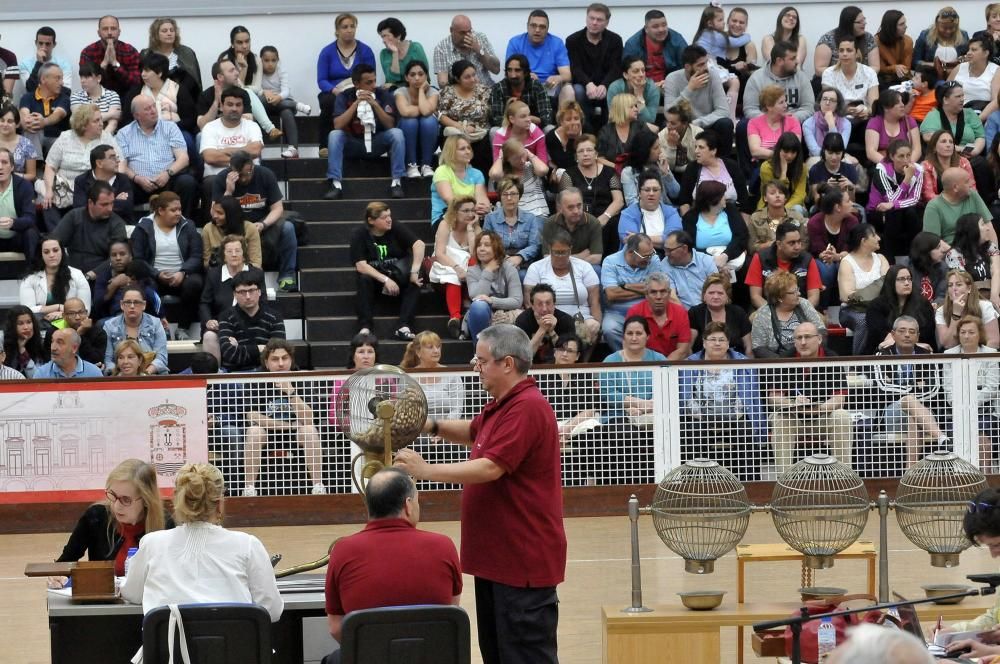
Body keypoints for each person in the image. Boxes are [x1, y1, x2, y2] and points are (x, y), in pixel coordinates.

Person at [394, 324, 566, 664]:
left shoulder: (527, 407)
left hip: (522, 561)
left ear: (507, 363)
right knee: (498, 652)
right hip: (497, 561)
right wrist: (429, 425)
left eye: (482, 360)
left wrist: (426, 470)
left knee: (524, 653)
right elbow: (475, 431)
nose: (476, 366)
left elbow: (491, 467)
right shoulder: (502, 405)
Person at [322, 468, 461, 663]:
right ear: (408, 505)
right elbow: (450, 615)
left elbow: (336, 628)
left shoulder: (342, 550)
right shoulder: (443, 546)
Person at [120, 462, 283, 622]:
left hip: (169, 649)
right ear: (219, 504)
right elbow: (272, 610)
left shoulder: (151, 544)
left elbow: (132, 593)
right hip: (235, 648)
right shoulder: (248, 545)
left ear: (177, 502)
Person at [51, 458, 167, 586]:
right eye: (112, 495)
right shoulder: (96, 517)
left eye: (125, 500)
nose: (116, 506)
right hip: (103, 602)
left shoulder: (166, 525)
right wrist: (58, 577)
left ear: (146, 499)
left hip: (149, 603)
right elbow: (65, 563)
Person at [679, 321, 767, 481]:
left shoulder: (744, 364)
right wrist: (699, 416)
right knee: (691, 433)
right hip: (700, 419)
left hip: (735, 418)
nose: (717, 343)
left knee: (746, 432)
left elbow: (752, 400)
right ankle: (693, 485)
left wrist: (755, 426)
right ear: (704, 342)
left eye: (722, 339)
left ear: (728, 343)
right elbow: (685, 398)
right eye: (713, 339)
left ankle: (750, 485)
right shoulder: (689, 365)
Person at [765, 320, 852, 469]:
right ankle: (783, 479)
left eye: (807, 337)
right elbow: (773, 398)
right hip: (794, 417)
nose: (803, 342)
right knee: (779, 420)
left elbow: (839, 399)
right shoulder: (785, 359)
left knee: (842, 416)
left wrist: (819, 408)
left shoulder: (832, 358)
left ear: (819, 339)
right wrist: (793, 403)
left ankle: (843, 476)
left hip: (823, 416)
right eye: (798, 338)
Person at [242, 339, 323, 497]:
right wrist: (290, 425)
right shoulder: (255, 381)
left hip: (296, 435)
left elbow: (308, 419)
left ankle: (318, 487)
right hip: (269, 434)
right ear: (266, 362)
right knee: (254, 431)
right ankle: (249, 489)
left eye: (285, 358)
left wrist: (291, 393)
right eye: (275, 359)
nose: (281, 363)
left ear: (291, 360)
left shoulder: (302, 379)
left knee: (309, 430)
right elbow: (252, 416)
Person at [210, 152, 299, 292]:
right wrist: (228, 191)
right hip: (235, 226)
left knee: (288, 228)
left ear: (252, 166)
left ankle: (286, 276)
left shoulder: (265, 174)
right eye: (240, 175)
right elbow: (215, 213)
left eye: (247, 173)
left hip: (262, 223)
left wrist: (264, 224)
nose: (244, 179)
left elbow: (277, 209)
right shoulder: (222, 178)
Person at [874, 315, 950, 465]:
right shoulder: (881, 355)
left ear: (918, 336)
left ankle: (910, 470)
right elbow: (882, 387)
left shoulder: (927, 356)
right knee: (909, 401)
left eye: (912, 331)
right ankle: (941, 437)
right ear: (893, 334)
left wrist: (909, 396)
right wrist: (911, 392)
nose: (907, 335)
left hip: (924, 413)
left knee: (913, 416)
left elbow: (934, 388)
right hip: (892, 412)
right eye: (902, 331)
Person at [325, 63, 404, 201]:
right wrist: (356, 104)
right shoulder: (344, 96)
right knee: (334, 135)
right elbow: (338, 125)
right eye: (369, 82)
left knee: (397, 134)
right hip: (354, 143)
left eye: (374, 80)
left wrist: (375, 104)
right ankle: (335, 184)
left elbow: (390, 124)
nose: (373, 85)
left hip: (377, 141)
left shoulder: (383, 95)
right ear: (356, 83)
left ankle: (396, 182)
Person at [130, 191, 203, 337]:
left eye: (179, 209)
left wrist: (182, 272)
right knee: (146, 285)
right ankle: (160, 327)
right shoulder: (143, 227)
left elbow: (196, 256)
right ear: (161, 210)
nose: (178, 213)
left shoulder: (188, 226)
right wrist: (156, 274)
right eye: (173, 210)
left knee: (195, 283)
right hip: (155, 276)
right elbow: (138, 259)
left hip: (181, 276)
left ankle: (183, 328)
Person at [349, 202, 424, 341]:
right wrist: (385, 279)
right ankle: (365, 326)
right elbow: (360, 265)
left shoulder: (395, 227)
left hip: (398, 275)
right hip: (376, 280)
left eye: (389, 216)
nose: (389, 220)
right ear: (371, 220)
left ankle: (403, 325)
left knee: (417, 280)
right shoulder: (359, 234)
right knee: (364, 278)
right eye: (384, 217)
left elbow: (419, 244)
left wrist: (414, 271)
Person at [116, 94, 196, 219]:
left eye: (154, 106)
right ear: (136, 115)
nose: (153, 111)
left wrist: (167, 173)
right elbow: (122, 166)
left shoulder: (170, 127)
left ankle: (182, 224)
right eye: (147, 109)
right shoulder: (124, 133)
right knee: (122, 184)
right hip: (138, 183)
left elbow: (183, 159)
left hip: (167, 180)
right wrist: (137, 178)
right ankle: (132, 228)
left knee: (187, 182)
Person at [41, 104, 118, 230]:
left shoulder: (106, 138)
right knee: (47, 200)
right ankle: (57, 240)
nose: (101, 123)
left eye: (101, 119)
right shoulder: (65, 137)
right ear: (84, 125)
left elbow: (118, 163)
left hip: (92, 187)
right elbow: (50, 167)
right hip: (63, 188)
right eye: (96, 121)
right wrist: (49, 189)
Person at [523, 229, 602, 349]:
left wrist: (597, 323)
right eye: (556, 252)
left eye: (564, 252)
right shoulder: (536, 267)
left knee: (593, 326)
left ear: (570, 249)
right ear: (549, 249)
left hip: (579, 318)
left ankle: (583, 364)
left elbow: (594, 301)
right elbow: (530, 303)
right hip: (546, 317)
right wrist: (539, 322)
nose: (560, 257)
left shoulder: (584, 267)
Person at [943, 315, 1000, 469]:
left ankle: (985, 480)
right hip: (957, 410)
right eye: (963, 332)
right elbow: (949, 391)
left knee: (982, 435)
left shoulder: (991, 353)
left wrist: (967, 400)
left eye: (971, 332)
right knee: (958, 436)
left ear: (979, 334)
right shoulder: (949, 355)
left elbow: (992, 389)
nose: (966, 336)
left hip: (985, 410)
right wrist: (963, 404)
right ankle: (960, 480)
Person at [200, 231, 266, 364]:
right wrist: (208, 321)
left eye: (237, 250)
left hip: (251, 324)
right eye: (229, 251)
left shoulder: (256, 273)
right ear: (223, 255)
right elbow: (204, 303)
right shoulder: (214, 274)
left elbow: (263, 302)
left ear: (244, 253)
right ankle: (215, 378)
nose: (234, 254)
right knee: (209, 336)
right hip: (222, 326)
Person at [317, 13, 377, 151]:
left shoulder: (365, 51)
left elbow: (371, 76)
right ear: (337, 30)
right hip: (335, 90)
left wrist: (361, 89)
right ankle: (325, 145)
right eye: (345, 27)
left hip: (359, 88)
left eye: (352, 26)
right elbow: (321, 80)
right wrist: (335, 90)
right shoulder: (327, 52)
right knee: (327, 101)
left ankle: (368, 142)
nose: (349, 30)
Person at [920, 82, 991, 195]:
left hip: (969, 156)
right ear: (945, 100)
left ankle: (985, 202)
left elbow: (980, 136)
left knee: (981, 164)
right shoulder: (934, 115)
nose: (962, 99)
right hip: (943, 158)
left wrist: (975, 150)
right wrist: (956, 148)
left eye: (963, 96)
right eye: (958, 96)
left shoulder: (970, 114)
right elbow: (929, 136)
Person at [600, 233, 664, 350]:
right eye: (645, 257)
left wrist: (624, 286)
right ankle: (626, 359)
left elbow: (656, 288)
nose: (649, 260)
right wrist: (645, 289)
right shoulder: (610, 261)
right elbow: (611, 294)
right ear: (630, 252)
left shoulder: (653, 259)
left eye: (651, 254)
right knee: (609, 329)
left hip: (647, 311)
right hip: (617, 312)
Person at [662, 45, 734, 150]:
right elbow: (668, 112)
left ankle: (722, 163)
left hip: (707, 124)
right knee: (666, 125)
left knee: (725, 123)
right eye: (700, 65)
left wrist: (697, 123)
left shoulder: (713, 76)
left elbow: (723, 110)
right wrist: (689, 89)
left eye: (706, 63)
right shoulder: (672, 78)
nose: (705, 68)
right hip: (682, 126)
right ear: (687, 67)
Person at [563, 3, 623, 128]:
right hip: (583, 84)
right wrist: (588, 84)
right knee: (578, 91)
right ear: (586, 18)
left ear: (607, 23)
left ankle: (609, 133)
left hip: (605, 84)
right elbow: (575, 68)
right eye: (591, 18)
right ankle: (585, 132)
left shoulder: (615, 40)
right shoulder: (573, 40)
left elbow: (616, 68)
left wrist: (604, 85)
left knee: (615, 89)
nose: (594, 22)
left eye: (599, 20)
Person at [429, 196, 482, 337]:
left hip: (468, 270)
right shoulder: (445, 225)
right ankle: (455, 318)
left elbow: (476, 254)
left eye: (472, 210)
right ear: (455, 212)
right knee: (453, 276)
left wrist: (471, 229)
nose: (470, 214)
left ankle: (468, 302)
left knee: (475, 263)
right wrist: (457, 268)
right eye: (465, 211)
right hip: (446, 265)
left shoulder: (475, 227)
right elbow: (440, 254)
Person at [561, 133, 624, 250]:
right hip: (579, 219)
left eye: (589, 150)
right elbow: (564, 203)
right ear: (576, 156)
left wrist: (604, 218)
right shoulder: (568, 174)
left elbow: (619, 201)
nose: (585, 154)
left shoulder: (609, 172)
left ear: (596, 154)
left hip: (607, 219)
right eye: (581, 151)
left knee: (614, 224)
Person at [215, 271, 285, 373]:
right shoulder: (226, 317)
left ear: (259, 291)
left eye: (251, 290)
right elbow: (229, 354)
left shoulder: (274, 317)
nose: (248, 296)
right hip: (235, 376)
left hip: (266, 374)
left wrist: (240, 348)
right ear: (234, 294)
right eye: (242, 292)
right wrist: (259, 348)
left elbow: (277, 353)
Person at [54, 180, 127, 277]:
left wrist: (92, 274)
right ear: (90, 203)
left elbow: (118, 258)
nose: (110, 209)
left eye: (112, 203)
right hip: (70, 273)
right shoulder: (74, 216)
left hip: (101, 276)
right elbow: (54, 242)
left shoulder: (117, 224)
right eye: (104, 204)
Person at [838, 224, 890, 355]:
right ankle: (859, 363)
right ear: (863, 241)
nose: (879, 238)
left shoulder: (881, 258)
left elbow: (889, 286)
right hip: (852, 310)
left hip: (879, 308)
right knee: (865, 321)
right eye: (874, 235)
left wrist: (864, 294)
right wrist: (877, 290)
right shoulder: (847, 262)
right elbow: (847, 296)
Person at [745, 220, 822, 309]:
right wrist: (775, 314)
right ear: (779, 244)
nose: (797, 247)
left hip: (800, 309)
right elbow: (755, 297)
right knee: (753, 318)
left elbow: (814, 297)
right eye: (792, 243)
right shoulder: (760, 258)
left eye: (799, 242)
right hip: (768, 309)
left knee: (821, 320)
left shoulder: (807, 259)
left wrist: (797, 313)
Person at [199, 86, 263, 194]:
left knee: (264, 176)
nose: (234, 108)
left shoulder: (252, 126)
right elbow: (210, 157)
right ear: (221, 106)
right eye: (230, 104)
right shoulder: (210, 127)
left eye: (238, 105)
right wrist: (244, 159)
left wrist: (225, 150)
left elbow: (256, 150)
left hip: (249, 175)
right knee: (210, 183)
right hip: (217, 176)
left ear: (243, 107)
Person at [867, 139, 924, 260]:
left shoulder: (918, 170)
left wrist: (894, 205)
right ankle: (890, 260)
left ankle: (917, 257)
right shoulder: (882, 170)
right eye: (901, 156)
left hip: (905, 209)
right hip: (878, 211)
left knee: (912, 212)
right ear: (892, 156)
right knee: (894, 213)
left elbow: (915, 198)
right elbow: (890, 200)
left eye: (908, 155)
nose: (906, 160)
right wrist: (907, 179)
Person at [680, 181, 748, 282]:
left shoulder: (730, 210)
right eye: (723, 196)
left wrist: (725, 256)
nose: (726, 198)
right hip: (702, 261)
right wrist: (712, 261)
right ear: (713, 200)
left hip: (732, 257)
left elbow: (742, 236)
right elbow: (689, 246)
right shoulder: (690, 217)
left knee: (747, 267)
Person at [436, 63, 494, 179]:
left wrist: (474, 129)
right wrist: (461, 127)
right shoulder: (447, 92)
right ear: (457, 78)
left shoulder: (485, 91)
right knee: (454, 142)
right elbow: (441, 116)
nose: (473, 79)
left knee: (484, 148)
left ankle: (481, 184)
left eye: (474, 75)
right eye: (467, 77)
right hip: (456, 131)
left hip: (480, 133)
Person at [751, 269, 827, 358]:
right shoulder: (763, 314)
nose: (799, 293)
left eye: (797, 289)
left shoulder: (804, 304)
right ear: (780, 297)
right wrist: (783, 364)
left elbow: (821, 331)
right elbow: (758, 348)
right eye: (793, 292)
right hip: (778, 364)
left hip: (808, 357)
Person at [677, 128, 753, 215]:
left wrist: (743, 227)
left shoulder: (732, 166)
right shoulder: (692, 168)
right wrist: (687, 223)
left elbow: (744, 203)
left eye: (701, 147)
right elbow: (684, 202)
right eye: (696, 147)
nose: (696, 151)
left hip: (730, 217)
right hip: (700, 219)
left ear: (713, 150)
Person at [465, 230, 523, 344]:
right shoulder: (472, 271)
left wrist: (491, 301)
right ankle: (478, 351)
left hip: (506, 315)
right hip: (481, 316)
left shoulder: (509, 268)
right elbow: (476, 296)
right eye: (479, 245)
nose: (481, 249)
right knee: (479, 306)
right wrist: (488, 271)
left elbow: (517, 301)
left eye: (487, 245)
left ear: (496, 249)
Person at [865, 264, 937, 354]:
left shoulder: (923, 304)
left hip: (918, 352)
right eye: (902, 279)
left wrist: (915, 345)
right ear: (891, 282)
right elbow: (879, 334)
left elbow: (928, 332)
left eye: (909, 279)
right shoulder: (876, 306)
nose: (907, 283)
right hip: (884, 352)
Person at [482, 178, 543, 279]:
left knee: (524, 275)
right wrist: (505, 259)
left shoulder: (530, 218)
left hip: (523, 264)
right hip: (498, 262)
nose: (509, 198)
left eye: (513, 194)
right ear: (500, 197)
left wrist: (520, 257)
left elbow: (535, 245)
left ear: (520, 196)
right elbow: (487, 244)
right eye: (505, 194)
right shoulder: (490, 218)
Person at [19, 236, 90, 321]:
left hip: (71, 323)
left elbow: (86, 309)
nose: (51, 255)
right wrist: (58, 307)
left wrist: (62, 315)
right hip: (40, 323)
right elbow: (27, 310)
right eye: (46, 252)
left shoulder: (77, 274)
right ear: (41, 255)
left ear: (62, 252)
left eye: (55, 250)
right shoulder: (30, 278)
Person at [806, 184, 858, 299]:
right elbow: (816, 249)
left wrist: (838, 256)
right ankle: (823, 307)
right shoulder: (814, 223)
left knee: (844, 266)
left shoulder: (852, 221)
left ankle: (848, 303)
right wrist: (827, 255)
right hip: (820, 258)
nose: (852, 204)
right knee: (827, 269)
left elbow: (852, 248)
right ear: (837, 207)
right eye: (848, 201)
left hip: (845, 256)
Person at [742, 40, 814, 123]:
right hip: (765, 122)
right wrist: (771, 118)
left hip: (793, 121)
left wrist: (791, 118)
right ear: (779, 61)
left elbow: (808, 108)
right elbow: (750, 109)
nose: (797, 61)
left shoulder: (801, 77)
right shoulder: (756, 78)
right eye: (792, 58)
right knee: (743, 126)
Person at [505, 10, 571, 100]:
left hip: (550, 87)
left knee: (568, 89)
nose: (537, 30)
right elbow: (509, 72)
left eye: (542, 27)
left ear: (547, 29)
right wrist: (526, 76)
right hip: (524, 85)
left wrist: (558, 77)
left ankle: (564, 114)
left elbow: (567, 75)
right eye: (533, 25)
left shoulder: (557, 43)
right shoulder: (515, 43)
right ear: (527, 26)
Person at [258, 45, 310, 159]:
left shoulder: (281, 71)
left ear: (278, 60)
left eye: (273, 60)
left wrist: (279, 97)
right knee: (260, 100)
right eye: (266, 60)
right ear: (260, 60)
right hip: (265, 104)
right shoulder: (257, 72)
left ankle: (293, 148)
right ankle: (297, 105)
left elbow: (286, 91)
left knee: (287, 112)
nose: (270, 64)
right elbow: (255, 89)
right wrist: (265, 93)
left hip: (283, 102)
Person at [624, 272, 691, 360]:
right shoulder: (635, 312)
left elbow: (682, 350)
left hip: (673, 364)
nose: (658, 297)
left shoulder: (681, 312)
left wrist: (663, 369)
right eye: (653, 292)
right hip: (644, 364)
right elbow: (630, 346)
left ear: (669, 293)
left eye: (663, 291)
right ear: (646, 295)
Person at [821, 38, 880, 138]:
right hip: (838, 118)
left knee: (873, 124)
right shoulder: (828, 73)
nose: (844, 54)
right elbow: (827, 105)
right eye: (841, 50)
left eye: (849, 50)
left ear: (857, 53)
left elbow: (874, 105)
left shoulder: (869, 73)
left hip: (863, 119)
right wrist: (846, 111)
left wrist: (866, 110)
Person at [103, 286, 168, 375]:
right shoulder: (109, 326)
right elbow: (108, 360)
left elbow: (161, 357)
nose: (132, 306)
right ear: (122, 305)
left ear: (144, 305)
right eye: (128, 302)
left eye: (136, 302)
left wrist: (145, 374)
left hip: (151, 376)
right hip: (119, 377)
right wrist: (121, 375)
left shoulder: (156, 323)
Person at [400, 332, 465, 419]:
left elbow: (457, 410)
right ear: (418, 352)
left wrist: (441, 429)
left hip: (446, 429)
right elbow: (404, 411)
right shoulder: (408, 378)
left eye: (438, 347)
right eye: (430, 347)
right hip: (418, 429)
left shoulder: (452, 376)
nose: (436, 351)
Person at [617, 170, 682, 253]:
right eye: (647, 190)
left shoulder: (671, 212)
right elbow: (631, 243)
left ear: (661, 192)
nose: (651, 193)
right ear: (639, 193)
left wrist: (638, 237)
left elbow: (674, 240)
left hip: (667, 258)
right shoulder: (628, 214)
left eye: (655, 190)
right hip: (637, 260)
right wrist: (663, 242)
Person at [923, 167, 993, 243]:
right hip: (951, 250)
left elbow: (988, 225)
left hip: (977, 246)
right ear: (955, 187)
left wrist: (995, 251)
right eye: (967, 182)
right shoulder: (934, 207)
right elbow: (932, 242)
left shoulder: (972, 194)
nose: (971, 184)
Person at [688, 273, 753, 356]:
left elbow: (749, 347)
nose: (715, 296)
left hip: (735, 363)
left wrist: (748, 367)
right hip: (703, 363)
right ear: (704, 295)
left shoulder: (738, 312)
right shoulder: (695, 313)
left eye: (720, 293)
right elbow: (688, 347)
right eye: (711, 293)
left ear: (727, 296)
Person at [394, 61, 439, 179]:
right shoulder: (400, 92)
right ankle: (411, 165)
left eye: (421, 74)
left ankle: (426, 165)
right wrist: (424, 107)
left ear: (426, 76)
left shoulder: (433, 92)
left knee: (428, 121)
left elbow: (425, 112)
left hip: (428, 139)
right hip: (407, 137)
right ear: (406, 77)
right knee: (410, 121)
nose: (417, 78)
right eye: (412, 75)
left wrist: (420, 92)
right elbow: (405, 112)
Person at [431, 14, 501, 89]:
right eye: (462, 33)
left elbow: (496, 70)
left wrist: (479, 50)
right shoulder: (441, 48)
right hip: (460, 95)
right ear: (451, 30)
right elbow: (443, 83)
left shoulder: (481, 38)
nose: (466, 36)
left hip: (487, 88)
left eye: (469, 31)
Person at [947, 212, 1000, 309]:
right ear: (972, 230)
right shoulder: (954, 254)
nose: (988, 228)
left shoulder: (991, 247)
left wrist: (994, 296)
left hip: (994, 293)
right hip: (971, 300)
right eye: (983, 224)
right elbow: (963, 282)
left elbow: (996, 271)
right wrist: (985, 304)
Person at [936, 269, 1000, 349]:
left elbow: (994, 342)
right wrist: (956, 315)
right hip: (955, 357)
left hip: (982, 356)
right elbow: (948, 344)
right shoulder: (941, 311)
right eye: (950, 285)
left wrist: (976, 358)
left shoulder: (985, 306)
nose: (954, 289)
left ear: (969, 288)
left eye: (959, 285)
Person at [541, 188, 603, 270]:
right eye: (570, 207)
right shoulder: (550, 223)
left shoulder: (593, 222)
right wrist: (580, 256)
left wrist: (561, 256)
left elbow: (597, 258)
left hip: (583, 268)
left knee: (596, 269)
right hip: (557, 268)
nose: (576, 211)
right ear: (560, 208)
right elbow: (547, 258)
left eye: (579, 205)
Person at [79, 16, 140, 97]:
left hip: (126, 97)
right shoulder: (88, 52)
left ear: (119, 32)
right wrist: (104, 64)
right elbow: (86, 83)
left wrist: (115, 64)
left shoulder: (130, 51)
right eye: (105, 29)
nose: (109, 32)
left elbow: (137, 82)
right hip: (97, 97)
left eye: (113, 28)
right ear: (98, 33)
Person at [489, 137, 549, 219]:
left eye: (523, 155)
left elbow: (543, 170)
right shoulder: (503, 174)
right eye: (516, 158)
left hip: (537, 214)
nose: (522, 160)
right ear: (508, 160)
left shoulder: (530, 167)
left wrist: (530, 155)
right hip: (514, 217)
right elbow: (494, 174)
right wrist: (500, 157)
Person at [515, 283, 575, 364]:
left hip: (559, 369)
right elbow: (523, 358)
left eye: (548, 303)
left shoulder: (566, 320)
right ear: (532, 305)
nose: (544, 309)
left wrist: (551, 331)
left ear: (554, 304)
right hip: (531, 369)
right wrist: (542, 329)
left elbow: (568, 356)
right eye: (539, 304)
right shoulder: (522, 320)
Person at [622, 9, 688, 84]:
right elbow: (628, 72)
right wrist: (648, 86)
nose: (661, 29)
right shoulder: (632, 44)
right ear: (646, 29)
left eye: (664, 25)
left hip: (670, 84)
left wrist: (670, 82)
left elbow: (686, 66)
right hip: (642, 85)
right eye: (655, 27)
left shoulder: (677, 40)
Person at [489, 55, 553, 131]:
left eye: (517, 70)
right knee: (494, 130)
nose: (513, 75)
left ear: (525, 73)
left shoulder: (537, 87)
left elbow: (547, 117)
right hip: (509, 131)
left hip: (533, 129)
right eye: (509, 70)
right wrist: (518, 122)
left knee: (549, 129)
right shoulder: (498, 88)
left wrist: (529, 119)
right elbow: (496, 119)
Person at [17, 62, 70, 155]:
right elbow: (23, 114)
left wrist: (44, 122)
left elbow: (59, 114)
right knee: (31, 130)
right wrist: (27, 122)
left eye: (61, 78)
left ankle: (48, 166)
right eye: (58, 78)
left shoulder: (64, 98)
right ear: (43, 79)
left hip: (56, 139)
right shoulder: (27, 97)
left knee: (61, 141)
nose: (62, 83)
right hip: (35, 138)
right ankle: (33, 166)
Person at [72, 144, 133, 223]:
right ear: (99, 163)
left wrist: (95, 206)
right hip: (90, 227)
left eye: (117, 157)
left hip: (118, 225)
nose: (118, 161)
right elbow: (80, 209)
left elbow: (126, 207)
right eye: (113, 158)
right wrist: (115, 200)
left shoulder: (123, 179)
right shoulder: (82, 180)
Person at [141, 17, 202, 96]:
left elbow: (195, 82)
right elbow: (141, 82)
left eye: (172, 30)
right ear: (156, 34)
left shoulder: (186, 53)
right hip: (152, 98)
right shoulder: (146, 54)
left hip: (182, 98)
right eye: (164, 31)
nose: (169, 33)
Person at [659, 229, 718, 309]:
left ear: (684, 248)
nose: (666, 254)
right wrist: (687, 316)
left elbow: (716, 290)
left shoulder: (706, 261)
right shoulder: (665, 265)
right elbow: (672, 297)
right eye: (665, 249)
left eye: (670, 250)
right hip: (683, 313)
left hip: (709, 310)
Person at [202, 191, 261, 271]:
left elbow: (256, 263)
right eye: (214, 212)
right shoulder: (208, 229)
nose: (215, 216)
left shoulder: (250, 229)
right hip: (218, 274)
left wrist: (237, 270)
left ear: (231, 215)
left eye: (219, 213)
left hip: (245, 274)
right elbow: (206, 263)